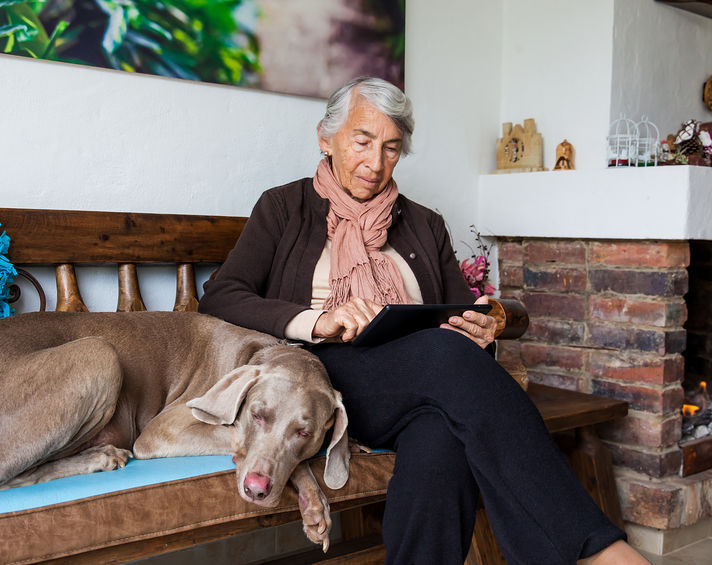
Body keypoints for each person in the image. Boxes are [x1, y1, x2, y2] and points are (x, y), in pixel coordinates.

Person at [198, 77, 649, 565]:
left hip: (427, 381)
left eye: (392, 148)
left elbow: (459, 314)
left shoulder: (423, 223)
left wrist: (479, 332)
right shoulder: (284, 208)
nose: (376, 162)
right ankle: (596, 551)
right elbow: (221, 297)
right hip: (325, 382)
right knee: (444, 360)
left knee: (440, 439)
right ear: (326, 139)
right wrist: (317, 320)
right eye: (363, 141)